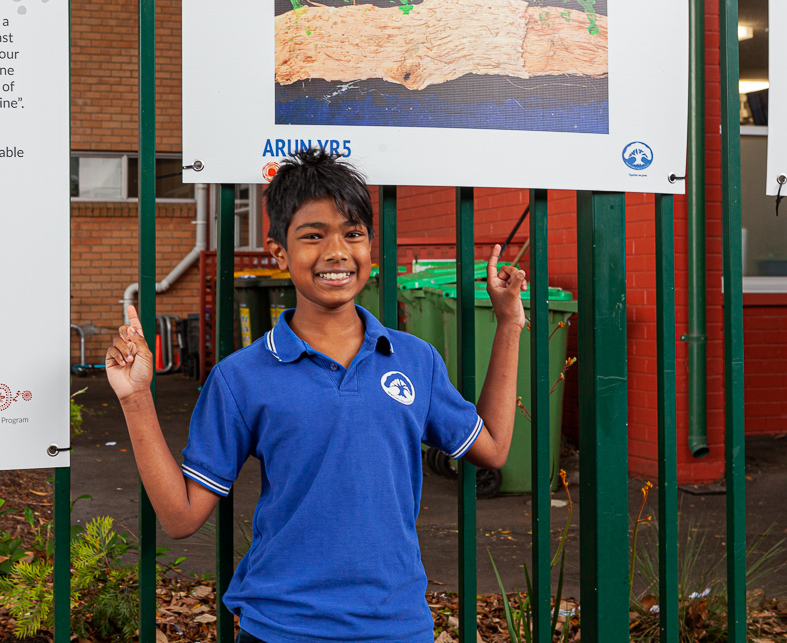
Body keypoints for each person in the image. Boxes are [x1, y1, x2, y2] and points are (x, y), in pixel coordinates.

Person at [106, 147, 527, 643]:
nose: (336, 251)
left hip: (396, 627)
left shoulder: (415, 359)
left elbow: (494, 447)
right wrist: (136, 399)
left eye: (353, 233)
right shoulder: (240, 377)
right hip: (282, 627)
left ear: (371, 246)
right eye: (313, 236)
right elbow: (180, 518)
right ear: (279, 252)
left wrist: (508, 324)